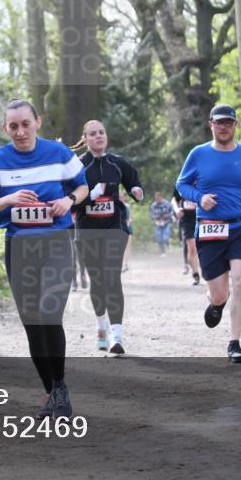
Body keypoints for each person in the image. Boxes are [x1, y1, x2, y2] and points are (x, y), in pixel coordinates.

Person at [0, 100, 88, 418]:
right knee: (33, 325)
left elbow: (83, 186)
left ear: (37, 122)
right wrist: (8, 199)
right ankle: (52, 392)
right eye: (13, 126)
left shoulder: (59, 153)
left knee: (49, 313)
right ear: (5, 128)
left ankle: (60, 388)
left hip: (56, 244)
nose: (20, 131)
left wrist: (68, 200)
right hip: (19, 249)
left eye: (25, 123)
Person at [175, 104, 241, 363]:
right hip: (210, 228)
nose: (224, 127)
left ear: (236, 125)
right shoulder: (198, 154)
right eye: (219, 122)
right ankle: (217, 304)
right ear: (211, 124)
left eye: (229, 122)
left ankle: (235, 342)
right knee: (219, 292)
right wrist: (200, 197)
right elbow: (181, 184)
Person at [71, 120, 143, 354]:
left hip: (115, 227)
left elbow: (133, 180)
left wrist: (136, 191)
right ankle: (101, 326)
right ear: (86, 139)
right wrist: (92, 194)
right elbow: (69, 195)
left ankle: (117, 336)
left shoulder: (117, 162)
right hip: (88, 230)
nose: (98, 136)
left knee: (112, 276)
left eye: (101, 132)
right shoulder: (78, 166)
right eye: (93, 134)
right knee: (97, 280)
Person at [172, 188, 202, 285]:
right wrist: (177, 210)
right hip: (187, 219)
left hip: (203, 218)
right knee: (192, 248)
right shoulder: (183, 180)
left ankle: (205, 268)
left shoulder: (204, 178)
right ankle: (195, 273)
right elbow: (174, 199)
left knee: (202, 247)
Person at [149, 191, 173, 256]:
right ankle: (163, 252)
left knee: (165, 238)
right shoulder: (153, 205)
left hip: (166, 223)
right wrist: (156, 218)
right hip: (157, 224)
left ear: (161, 197)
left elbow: (172, 211)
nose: (157, 200)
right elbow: (151, 215)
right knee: (159, 239)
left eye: (158, 198)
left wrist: (167, 215)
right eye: (156, 198)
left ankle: (167, 243)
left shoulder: (167, 203)